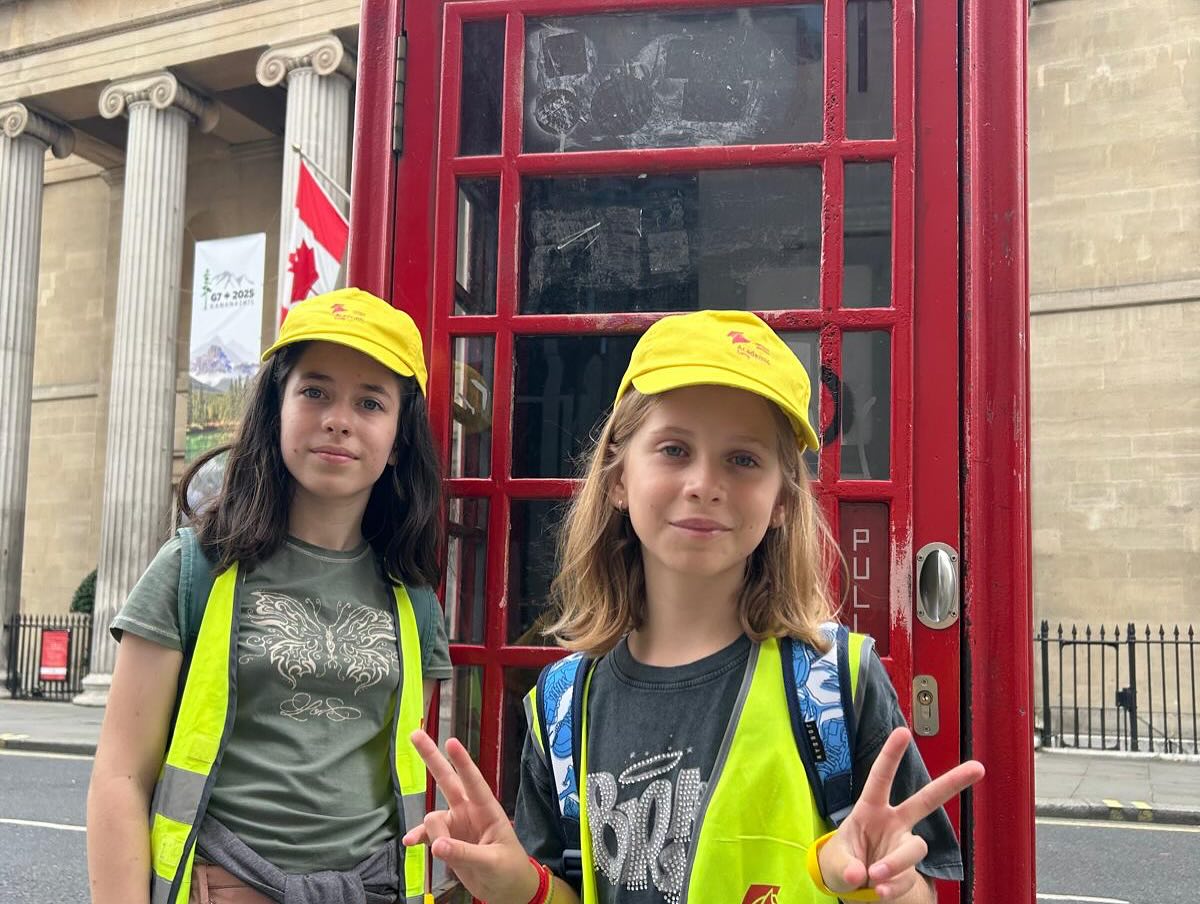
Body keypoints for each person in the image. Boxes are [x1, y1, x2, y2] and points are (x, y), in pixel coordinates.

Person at [404, 310, 984, 904]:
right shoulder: (560, 705)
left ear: (782, 501)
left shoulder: (837, 683)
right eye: (674, 449)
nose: (704, 483)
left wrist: (875, 886)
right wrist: (520, 888)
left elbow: (913, 891)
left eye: (743, 459)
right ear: (618, 479)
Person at [87, 288, 452, 904]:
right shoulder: (194, 568)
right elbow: (120, 776)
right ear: (276, 409)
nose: (338, 419)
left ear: (398, 442)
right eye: (315, 392)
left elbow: (406, 774)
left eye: (370, 402)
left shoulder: (415, 603)